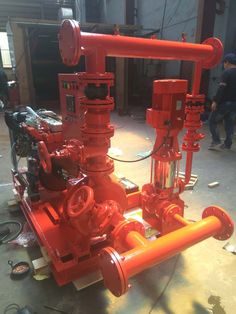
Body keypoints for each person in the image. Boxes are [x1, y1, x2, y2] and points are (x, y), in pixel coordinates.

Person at [208, 53, 236, 150]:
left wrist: (215, 101)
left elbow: (221, 88)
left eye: (224, 63)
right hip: (234, 105)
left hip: (225, 103)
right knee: (229, 123)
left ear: (227, 62)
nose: (224, 65)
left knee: (212, 121)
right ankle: (228, 144)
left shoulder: (227, 72)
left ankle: (216, 141)